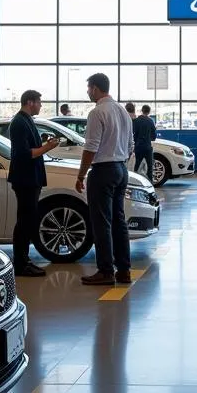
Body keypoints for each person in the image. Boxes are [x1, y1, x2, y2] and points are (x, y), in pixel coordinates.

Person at [77, 73, 134, 286]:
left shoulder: (97, 112)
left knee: (102, 222)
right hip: (121, 169)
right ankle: (124, 270)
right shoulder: (123, 111)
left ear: (94, 88)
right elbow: (130, 146)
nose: (87, 92)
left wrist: (81, 175)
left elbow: (90, 147)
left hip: (103, 170)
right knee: (119, 221)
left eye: (88, 88)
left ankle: (105, 271)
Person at [7, 89, 60, 278]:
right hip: (25, 179)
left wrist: (44, 143)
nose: (40, 105)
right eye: (39, 102)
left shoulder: (27, 120)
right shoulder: (19, 122)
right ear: (30, 102)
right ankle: (21, 263)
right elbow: (24, 154)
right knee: (24, 222)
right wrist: (47, 147)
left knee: (28, 220)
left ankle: (24, 260)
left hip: (31, 178)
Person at [133, 104, 157, 181]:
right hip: (147, 147)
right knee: (150, 167)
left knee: (137, 165)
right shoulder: (150, 121)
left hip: (138, 147)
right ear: (149, 112)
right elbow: (154, 137)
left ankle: (135, 182)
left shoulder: (136, 121)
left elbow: (133, 133)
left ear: (142, 110)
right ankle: (150, 184)